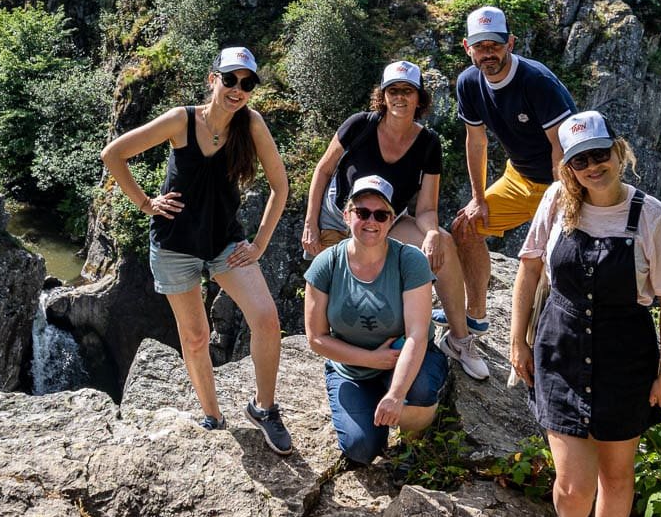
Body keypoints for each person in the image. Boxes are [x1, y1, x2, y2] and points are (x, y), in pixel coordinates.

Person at [510, 110, 661, 517]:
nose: (593, 166)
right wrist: (517, 340)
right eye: (580, 160)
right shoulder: (556, 203)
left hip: (625, 356)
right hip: (561, 349)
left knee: (616, 474)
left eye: (600, 155)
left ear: (619, 152)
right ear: (568, 167)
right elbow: (529, 270)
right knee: (572, 483)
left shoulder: (652, 217)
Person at [100, 46, 293, 453]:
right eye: (230, 80)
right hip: (175, 246)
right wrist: (145, 203)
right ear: (213, 80)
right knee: (195, 336)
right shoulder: (181, 120)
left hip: (224, 242)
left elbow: (281, 186)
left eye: (247, 83)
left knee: (266, 318)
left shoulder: (251, 125)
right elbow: (113, 154)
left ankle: (265, 408)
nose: (237, 89)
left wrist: (259, 243)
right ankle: (213, 416)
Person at [301, 59, 489, 380]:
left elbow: (426, 208)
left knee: (442, 240)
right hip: (337, 220)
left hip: (386, 221)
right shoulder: (360, 125)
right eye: (393, 91)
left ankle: (459, 340)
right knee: (347, 298)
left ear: (419, 98)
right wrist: (310, 223)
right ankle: (349, 359)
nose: (400, 97)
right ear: (383, 95)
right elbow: (324, 169)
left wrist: (429, 233)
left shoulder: (428, 144)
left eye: (408, 91)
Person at [304, 175, 449, 464]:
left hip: (403, 355)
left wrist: (396, 394)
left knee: (418, 390)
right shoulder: (327, 264)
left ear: (391, 220)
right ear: (346, 215)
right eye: (362, 212)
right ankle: (376, 410)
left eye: (381, 214)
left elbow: (417, 334)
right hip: (351, 369)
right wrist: (371, 359)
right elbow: (316, 338)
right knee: (360, 449)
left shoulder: (410, 261)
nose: (372, 221)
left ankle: (416, 420)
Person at [450, 6, 575, 339]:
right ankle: (474, 316)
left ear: (510, 43)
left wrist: (562, 205)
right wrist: (478, 199)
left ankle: (546, 338)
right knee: (465, 227)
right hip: (518, 178)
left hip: (559, 184)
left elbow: (561, 150)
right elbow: (475, 142)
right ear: (467, 47)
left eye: (495, 44)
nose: (488, 52)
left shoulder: (537, 82)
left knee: (556, 261)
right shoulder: (469, 83)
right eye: (480, 46)